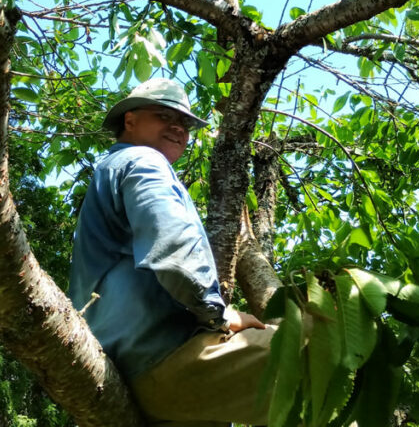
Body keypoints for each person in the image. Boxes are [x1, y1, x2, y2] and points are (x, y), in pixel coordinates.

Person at [69, 78, 274, 427]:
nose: (178, 128)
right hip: (165, 360)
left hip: (127, 376)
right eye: (164, 116)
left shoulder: (110, 172)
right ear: (129, 120)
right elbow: (174, 249)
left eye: (185, 124)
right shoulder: (141, 160)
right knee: (328, 345)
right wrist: (219, 316)